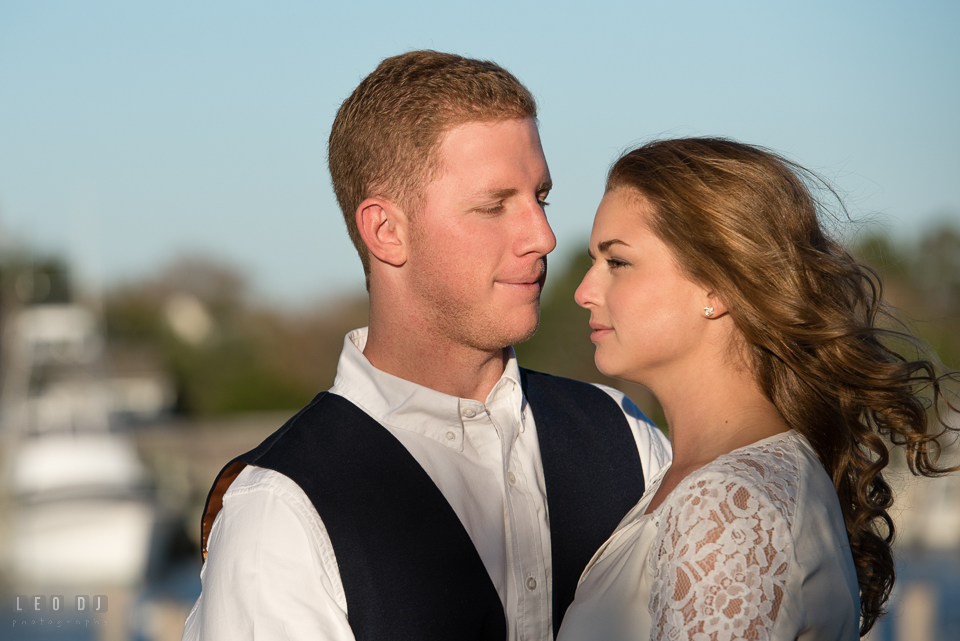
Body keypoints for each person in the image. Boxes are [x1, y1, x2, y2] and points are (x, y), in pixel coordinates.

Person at [181, 51, 671, 641]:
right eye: (494, 205)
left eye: (539, 197)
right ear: (386, 231)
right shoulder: (280, 510)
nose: (542, 236)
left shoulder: (627, 436)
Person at [556, 138, 959, 640]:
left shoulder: (727, 505)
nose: (583, 291)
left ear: (715, 286)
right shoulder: (732, 479)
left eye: (617, 262)